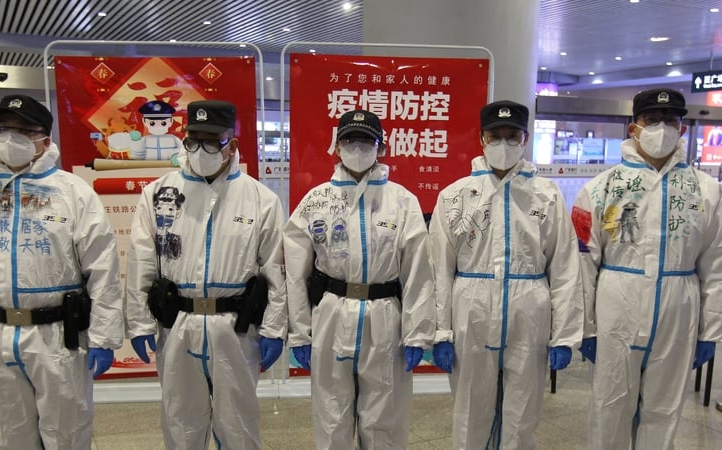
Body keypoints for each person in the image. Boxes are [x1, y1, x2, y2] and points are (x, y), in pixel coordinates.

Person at [0, 94, 123, 449]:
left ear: (44, 139)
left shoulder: (73, 194)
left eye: (23, 131)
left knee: (68, 433)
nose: (10, 138)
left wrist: (105, 338)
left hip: (59, 335)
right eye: (2, 129)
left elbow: (103, 270)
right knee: (9, 432)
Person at [125, 99, 287, 450]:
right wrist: (138, 323)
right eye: (193, 140)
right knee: (181, 421)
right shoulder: (158, 194)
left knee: (238, 424)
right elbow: (141, 263)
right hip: (178, 323)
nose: (202, 150)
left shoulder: (260, 199)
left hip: (236, 329)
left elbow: (275, 269)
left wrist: (275, 328)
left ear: (233, 144)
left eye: (212, 141)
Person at [428, 100, 583, 449]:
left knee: (523, 412)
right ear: (481, 139)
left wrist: (565, 335)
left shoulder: (546, 196)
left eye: (512, 135)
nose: (504, 144)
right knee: (470, 410)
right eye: (495, 136)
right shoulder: (455, 196)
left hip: (529, 311)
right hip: (471, 308)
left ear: (525, 138)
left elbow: (564, 268)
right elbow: (438, 268)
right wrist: (440, 330)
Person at [573, 88, 722, 449]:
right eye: (651, 120)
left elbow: (715, 263)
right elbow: (582, 264)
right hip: (616, 307)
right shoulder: (601, 188)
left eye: (671, 120)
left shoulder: (705, 191)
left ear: (683, 128)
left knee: (664, 411)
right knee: (610, 409)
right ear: (633, 127)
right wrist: (585, 327)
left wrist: (710, 330)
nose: (662, 127)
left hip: (678, 309)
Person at [284, 109, 436, 449]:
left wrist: (417, 332)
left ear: (381, 147)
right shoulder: (316, 201)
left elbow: (418, 273)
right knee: (331, 414)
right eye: (349, 140)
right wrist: (300, 333)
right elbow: (296, 273)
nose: (358, 147)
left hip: (384, 316)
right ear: (336, 146)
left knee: (384, 417)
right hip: (332, 313)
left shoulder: (402, 201)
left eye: (366, 141)